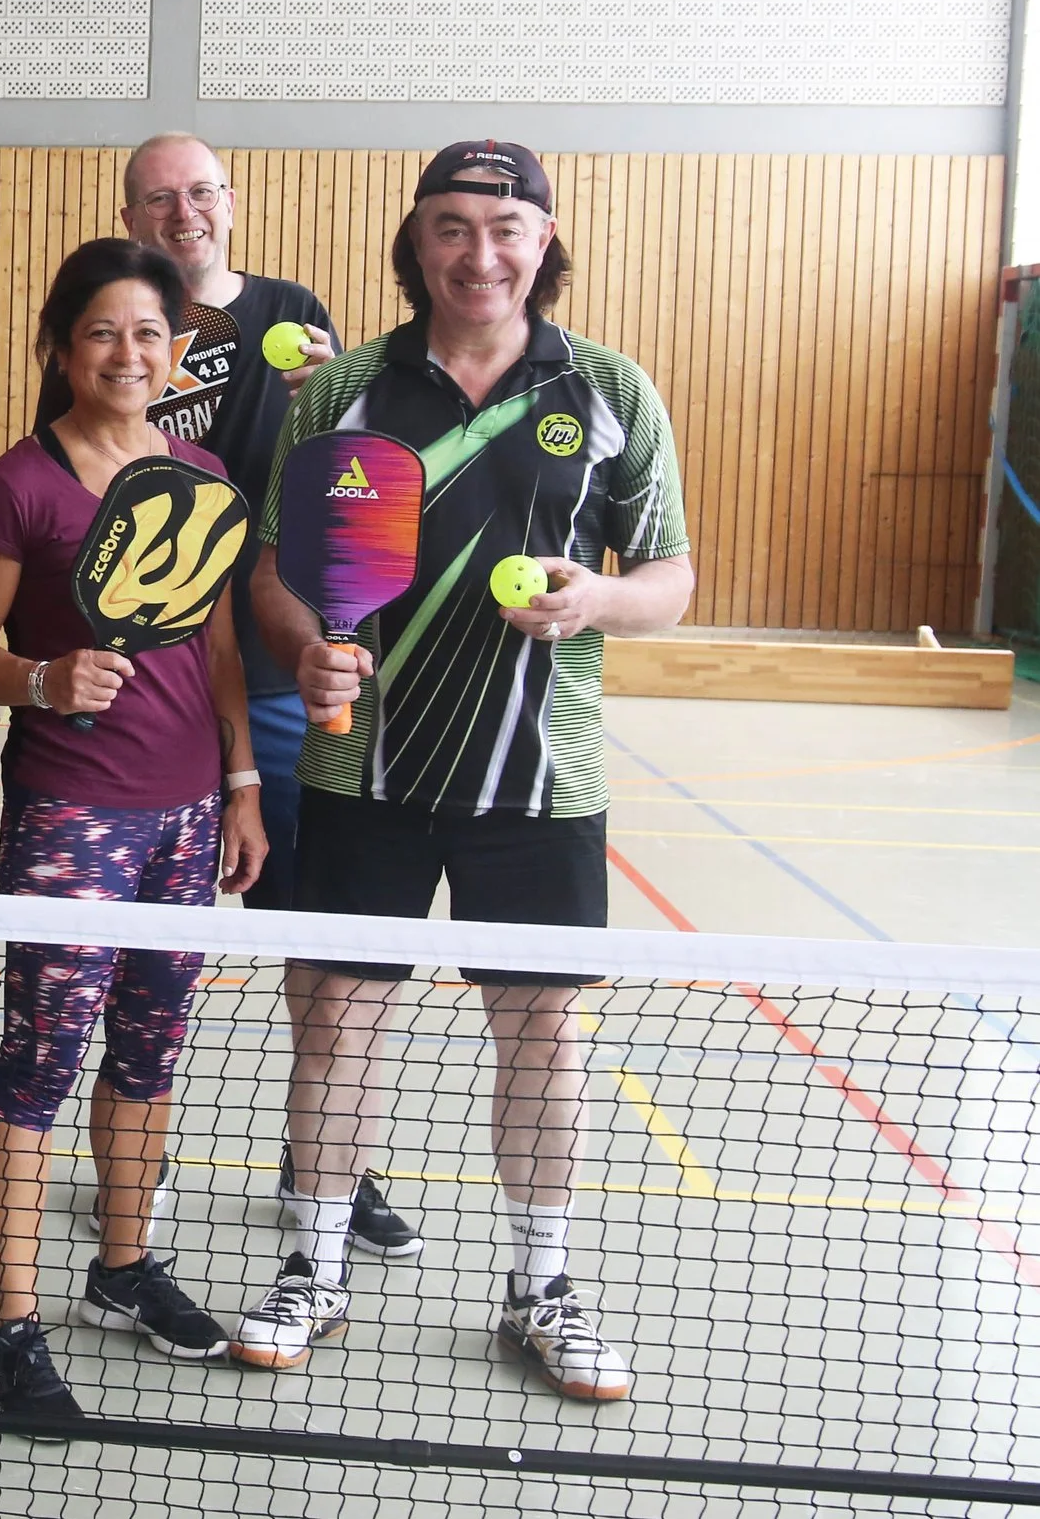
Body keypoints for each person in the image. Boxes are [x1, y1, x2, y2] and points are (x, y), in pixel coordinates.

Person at [235, 141, 693, 1403]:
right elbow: (274, 565)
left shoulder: (609, 388)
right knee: (335, 1018)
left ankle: (542, 1284)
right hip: (362, 765)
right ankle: (316, 1265)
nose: (478, 253)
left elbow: (669, 577)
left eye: (503, 227)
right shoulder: (344, 393)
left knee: (539, 1030)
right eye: (450, 226)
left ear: (542, 240)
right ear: (416, 241)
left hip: (538, 778)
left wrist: (597, 597)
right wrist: (302, 645)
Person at [0, 238, 267, 1424]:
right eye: (100, 332)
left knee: (149, 1050)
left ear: (174, 351)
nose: (127, 353)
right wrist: (41, 679)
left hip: (187, 810)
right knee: (40, 1059)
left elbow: (216, 641)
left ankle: (123, 1266)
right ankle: (6, 1330)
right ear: (58, 348)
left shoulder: (203, 472)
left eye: (147, 333)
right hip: (73, 814)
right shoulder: (19, 484)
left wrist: (240, 778)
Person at [82, 133, 424, 1262]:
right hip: (152, 678)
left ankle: (324, 1160)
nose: (181, 213)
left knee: (311, 930)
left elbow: (350, 479)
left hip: (278, 671)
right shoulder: (117, 320)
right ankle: (134, 1164)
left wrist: (333, 395)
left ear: (228, 202)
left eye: (199, 192)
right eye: (157, 198)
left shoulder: (294, 314)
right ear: (130, 213)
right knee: (147, 945)